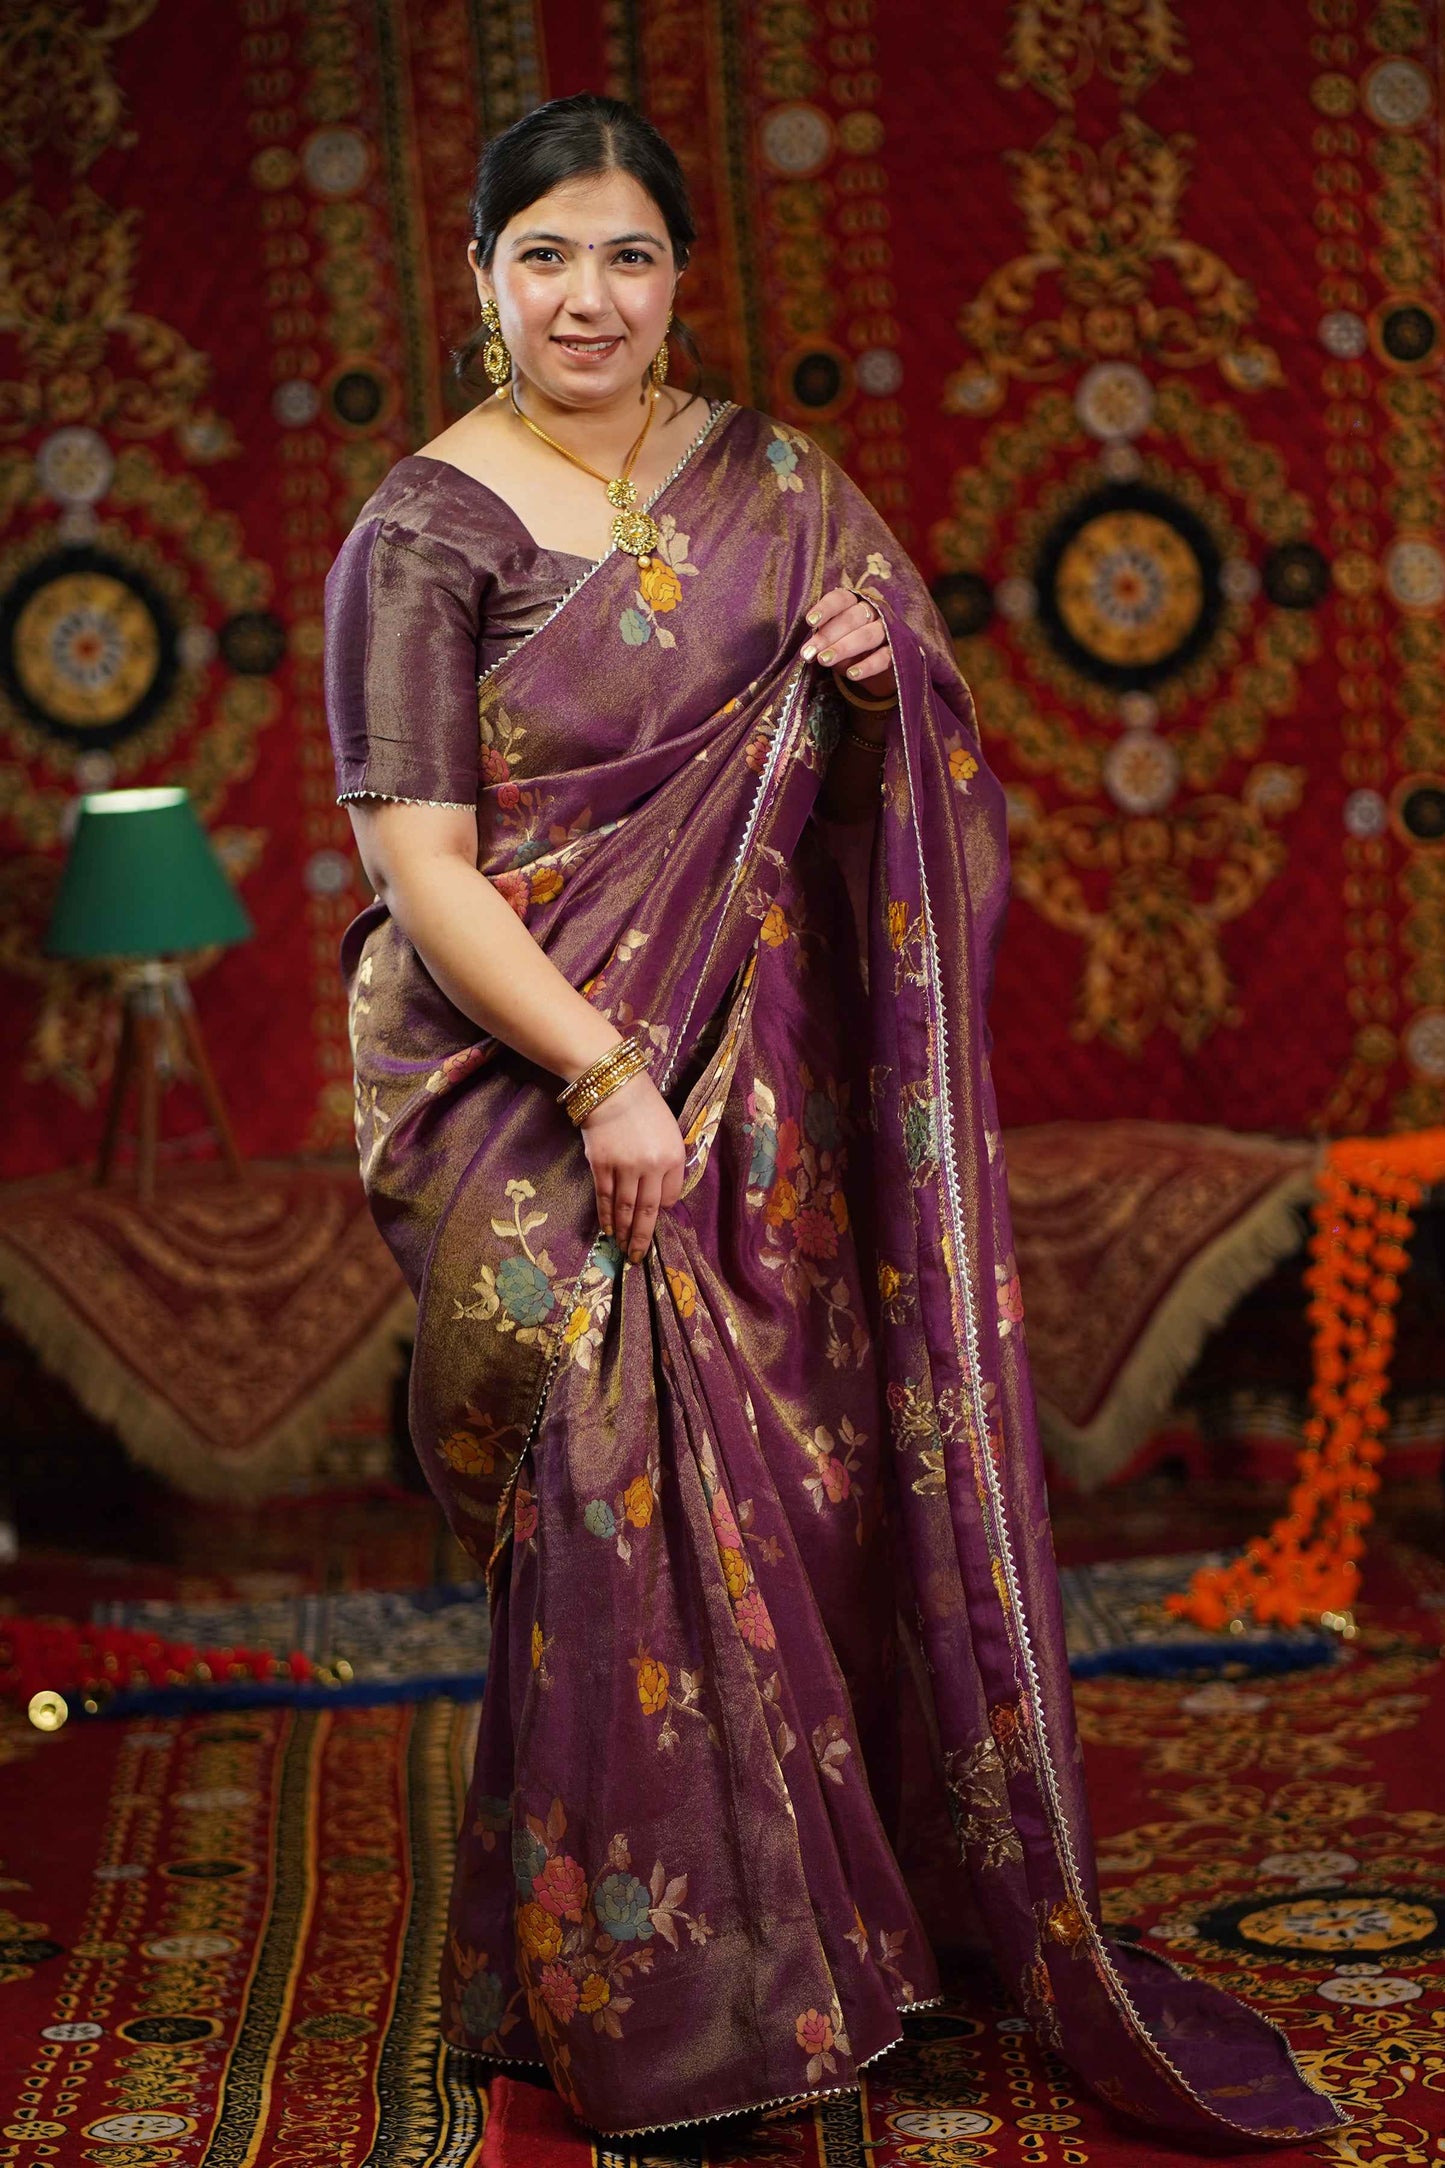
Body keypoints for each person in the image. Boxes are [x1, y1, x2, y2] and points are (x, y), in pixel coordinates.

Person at [323, 92, 1344, 2149]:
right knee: (609, 1477)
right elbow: (419, 866)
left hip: (773, 1084)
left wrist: (876, 696)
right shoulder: (422, 534)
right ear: (480, 281)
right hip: (535, 1080)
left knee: (810, 1486)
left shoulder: (780, 490)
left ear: (679, 277)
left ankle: (846, 1955)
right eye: (545, 256)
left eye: (627, 255)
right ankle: (669, 2006)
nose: (588, 298)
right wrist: (604, 1076)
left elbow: (915, 798)